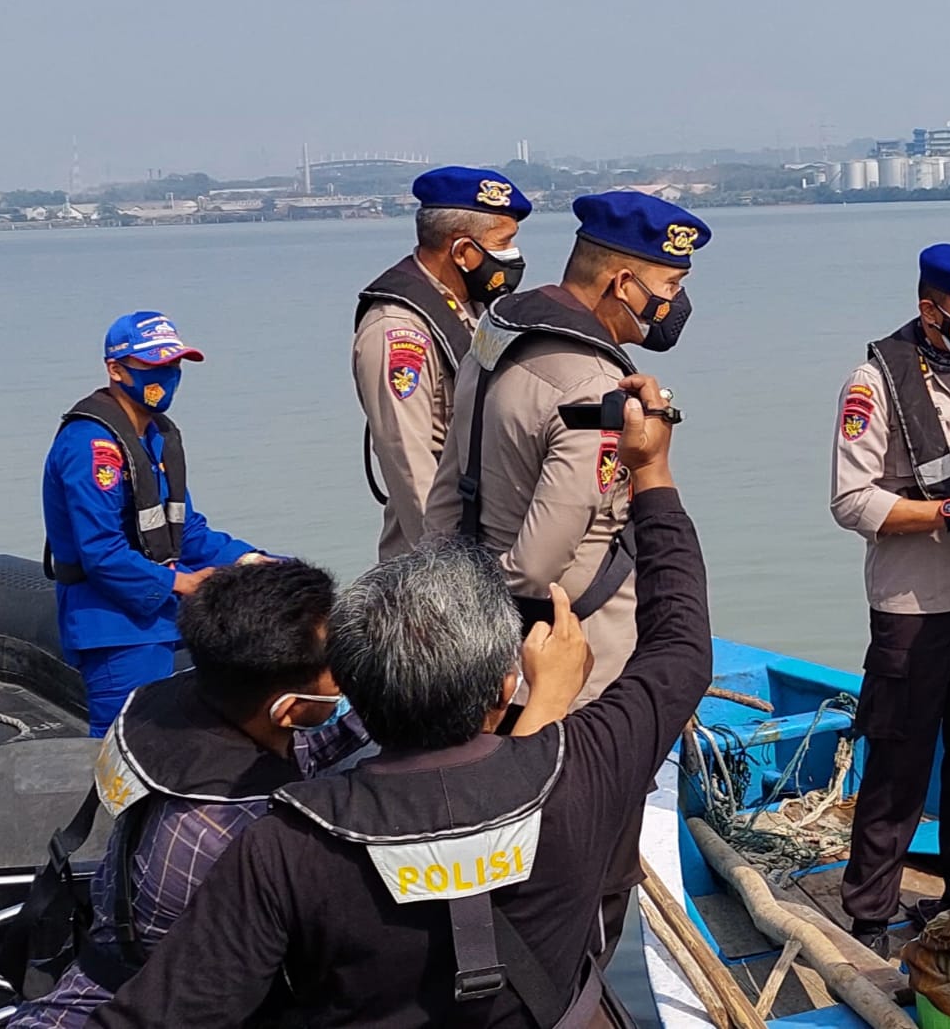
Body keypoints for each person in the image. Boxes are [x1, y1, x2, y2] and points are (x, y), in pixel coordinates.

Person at [90, 377, 710, 1029]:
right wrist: (651, 470)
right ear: (506, 687)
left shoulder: (285, 845)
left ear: (352, 688)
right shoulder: (584, 765)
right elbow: (682, 649)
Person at [423, 189, 710, 956]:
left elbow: (450, 478)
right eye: (669, 289)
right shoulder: (594, 389)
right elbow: (541, 562)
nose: (673, 308)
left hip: (482, 623)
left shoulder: (499, 332)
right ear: (622, 284)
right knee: (591, 838)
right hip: (578, 648)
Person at [7, 562, 369, 1028]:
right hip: (149, 998)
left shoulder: (203, 711)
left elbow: (306, 742)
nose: (348, 670)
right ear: (287, 707)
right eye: (337, 661)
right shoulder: (225, 833)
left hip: (125, 948)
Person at [829, 243, 950, 947]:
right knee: (900, 764)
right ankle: (869, 912)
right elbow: (852, 502)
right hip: (914, 606)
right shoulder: (873, 383)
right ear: (929, 307)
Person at [41, 312, 275, 736]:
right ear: (116, 369)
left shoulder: (156, 436)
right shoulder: (92, 446)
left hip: (160, 612)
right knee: (126, 744)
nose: (166, 377)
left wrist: (248, 559)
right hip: (114, 624)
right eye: (153, 366)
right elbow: (101, 552)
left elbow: (185, 529)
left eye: (173, 366)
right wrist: (184, 585)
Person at [354, 165, 530, 561]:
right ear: (463, 251)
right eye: (503, 242)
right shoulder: (398, 329)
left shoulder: (473, 305)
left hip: (488, 536)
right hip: (438, 555)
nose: (513, 256)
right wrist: (448, 569)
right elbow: (408, 459)